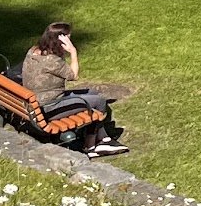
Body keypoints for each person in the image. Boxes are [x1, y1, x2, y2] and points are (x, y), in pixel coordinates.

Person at [21, 24, 125, 156]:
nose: (70, 42)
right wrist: (73, 52)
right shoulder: (52, 60)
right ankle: (91, 145)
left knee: (92, 93)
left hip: (34, 103)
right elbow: (73, 76)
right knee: (99, 102)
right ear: (60, 41)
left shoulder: (33, 51)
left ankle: (103, 137)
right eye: (68, 39)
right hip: (48, 108)